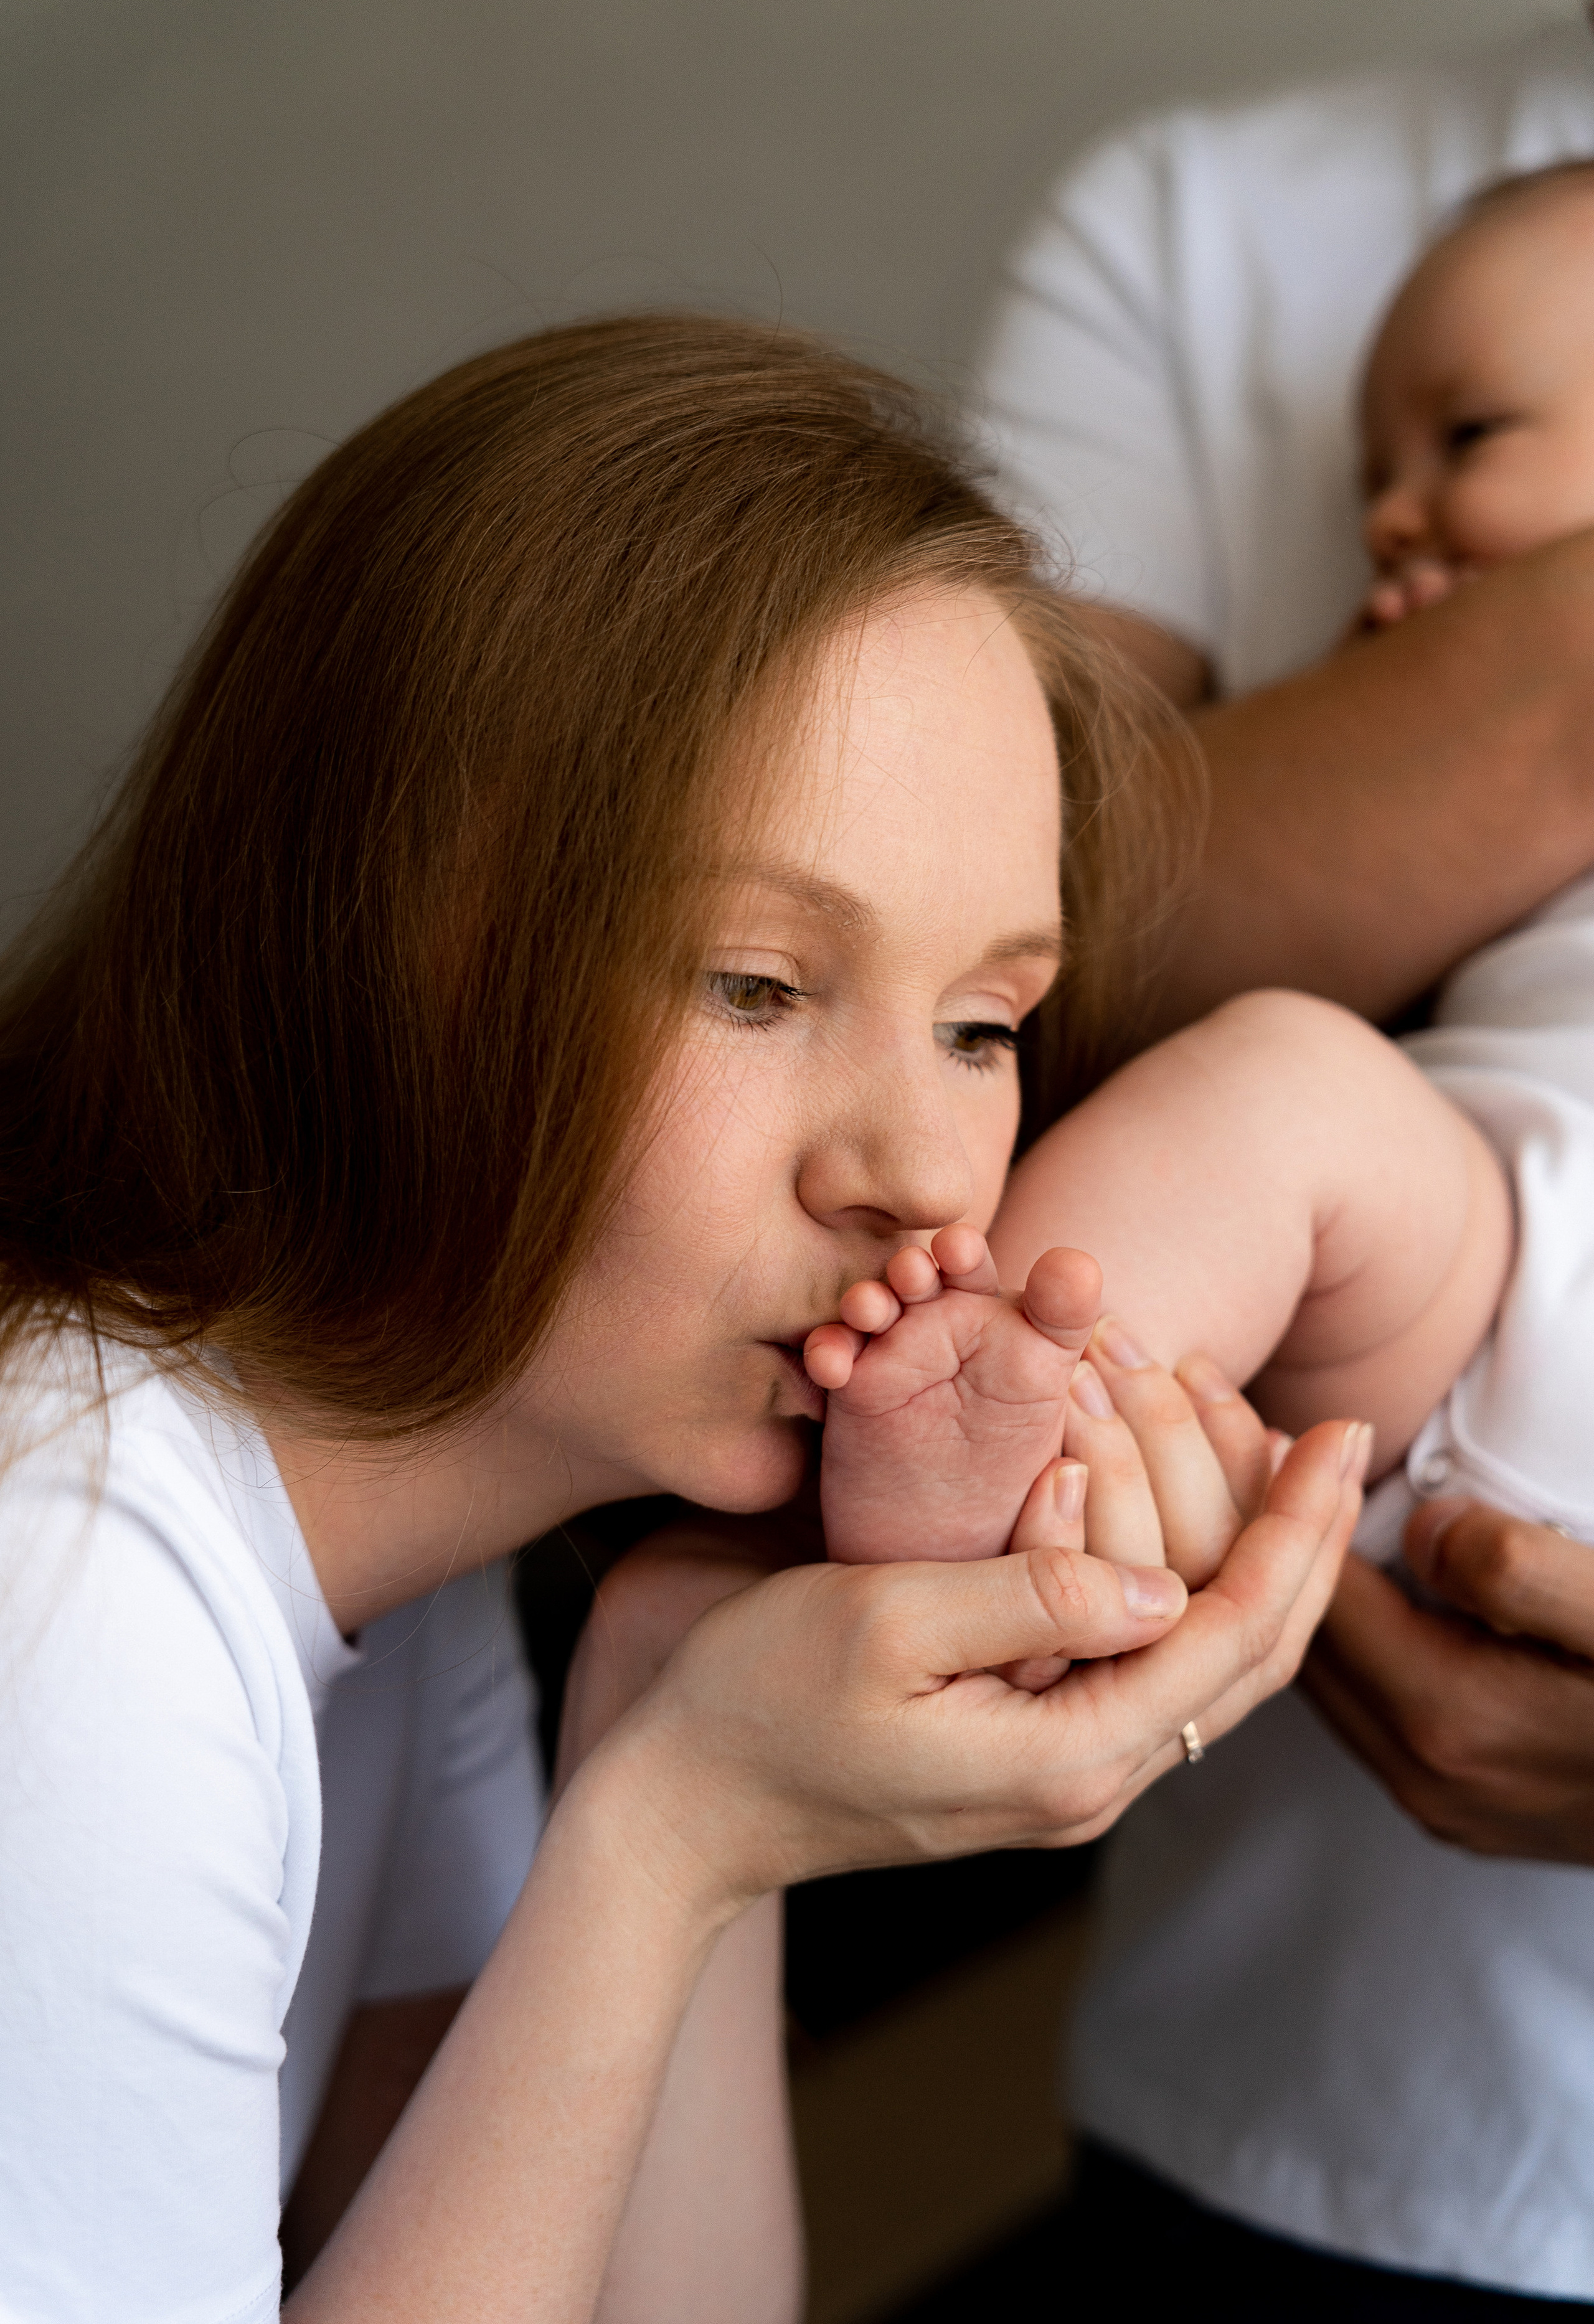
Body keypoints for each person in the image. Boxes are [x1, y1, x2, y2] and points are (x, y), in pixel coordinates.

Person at [0, 314, 1366, 2324]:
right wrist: (674, 1841)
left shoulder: (400, 1569)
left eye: (986, 1023)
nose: (919, 1164)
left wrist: (681, 1690)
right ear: (401, 948)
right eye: (758, 984)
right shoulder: (70, 1594)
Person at [976, 26, 1594, 2306]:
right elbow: (989, 970)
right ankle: (982, 1443)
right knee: (1288, 1101)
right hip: (1329, 2086)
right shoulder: (1200, 223)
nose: (1388, 517)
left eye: (1468, 449)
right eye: (1373, 468)